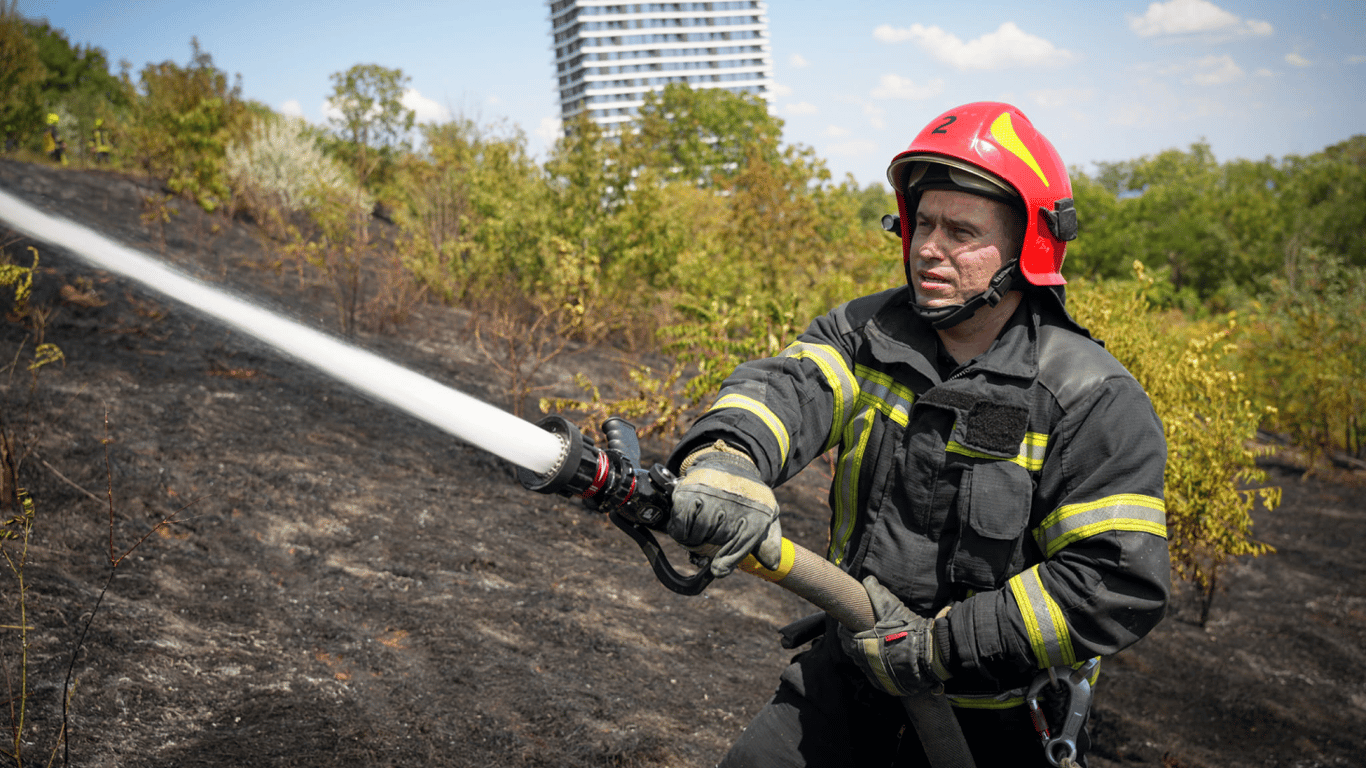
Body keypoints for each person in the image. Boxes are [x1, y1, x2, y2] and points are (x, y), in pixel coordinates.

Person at [664, 102, 1170, 768]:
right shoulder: (865, 334)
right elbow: (787, 391)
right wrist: (726, 457)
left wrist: (939, 647)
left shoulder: (1090, 398)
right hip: (849, 680)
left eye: (962, 231)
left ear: (1027, 247)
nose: (931, 247)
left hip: (994, 724)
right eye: (923, 223)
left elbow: (1112, 581)